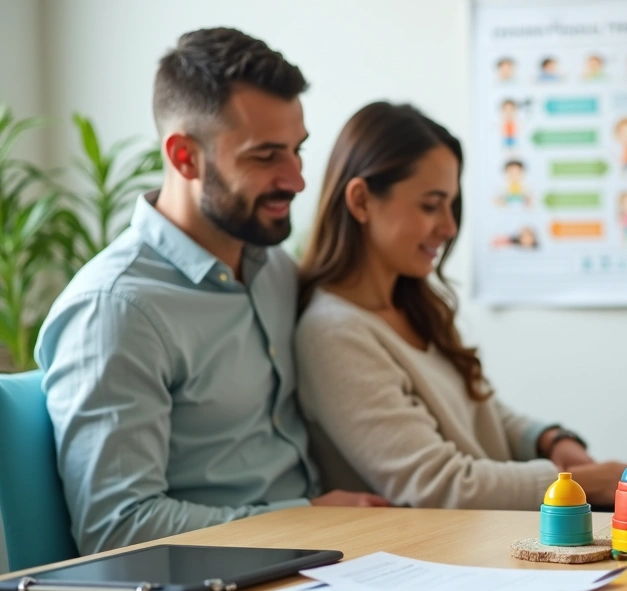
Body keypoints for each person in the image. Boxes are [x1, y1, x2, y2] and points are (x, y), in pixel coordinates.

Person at [35, 28, 386, 556]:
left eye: (297, 151)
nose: (296, 180)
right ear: (185, 157)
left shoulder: (272, 268)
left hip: (322, 556)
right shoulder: (115, 310)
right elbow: (117, 529)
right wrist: (305, 520)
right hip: (219, 581)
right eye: (265, 156)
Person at [295, 102, 626, 510]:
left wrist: (548, 439)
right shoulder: (333, 334)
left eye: (450, 205)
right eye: (430, 205)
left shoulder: (415, 305)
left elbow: (479, 410)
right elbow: (438, 485)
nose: (449, 227)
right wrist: (585, 483)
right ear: (361, 201)